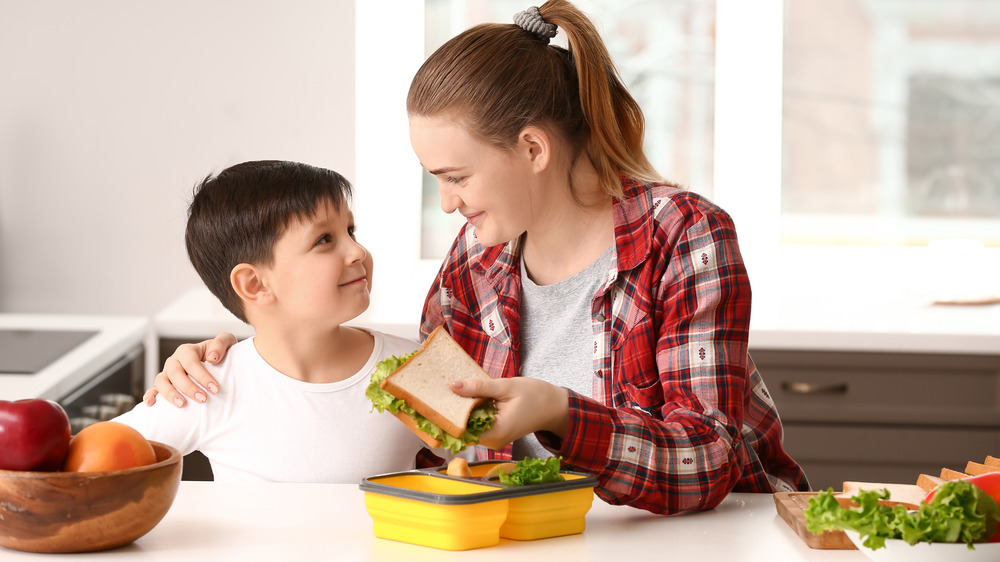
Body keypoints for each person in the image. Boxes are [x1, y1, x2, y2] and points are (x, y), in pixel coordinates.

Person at [147, 1, 809, 512]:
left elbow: (708, 465)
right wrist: (244, 355)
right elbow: (439, 416)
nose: (446, 204)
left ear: (531, 149)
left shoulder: (684, 236)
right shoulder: (478, 256)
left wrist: (557, 411)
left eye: (457, 177)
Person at [118, 160, 429, 482]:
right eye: (324, 239)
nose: (356, 251)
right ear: (255, 284)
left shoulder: (414, 367)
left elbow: (482, 460)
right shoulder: (207, 386)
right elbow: (85, 461)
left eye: (350, 231)